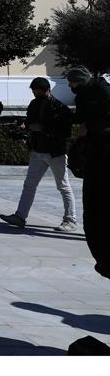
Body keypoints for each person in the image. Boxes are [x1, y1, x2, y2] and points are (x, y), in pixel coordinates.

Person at [0, 77, 76, 232]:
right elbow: (30, 122)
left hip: (56, 153)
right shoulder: (34, 104)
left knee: (63, 186)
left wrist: (42, 128)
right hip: (38, 150)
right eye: (33, 90)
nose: (34, 93)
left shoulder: (59, 108)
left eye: (37, 90)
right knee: (29, 185)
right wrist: (24, 126)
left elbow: (65, 132)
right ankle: (20, 216)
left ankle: (70, 220)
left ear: (46, 90)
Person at [66, 67, 110, 279]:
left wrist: (90, 128)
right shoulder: (87, 94)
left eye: (72, 82)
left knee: (97, 212)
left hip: (102, 155)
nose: (70, 87)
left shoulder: (100, 92)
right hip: (95, 155)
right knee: (93, 213)